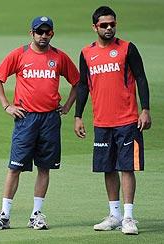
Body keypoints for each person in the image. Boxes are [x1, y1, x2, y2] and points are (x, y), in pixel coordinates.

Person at [0, 16, 79, 230]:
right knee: (15, 167)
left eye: (47, 32)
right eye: (39, 32)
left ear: (52, 34)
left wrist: (67, 106)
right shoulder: (20, 54)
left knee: (44, 168)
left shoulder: (59, 57)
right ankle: (5, 215)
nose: (43, 36)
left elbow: (78, 82)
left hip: (50, 119)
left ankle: (36, 214)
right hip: (26, 119)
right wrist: (6, 105)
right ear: (32, 33)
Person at [74, 6, 151, 235]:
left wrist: (145, 109)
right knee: (108, 168)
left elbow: (141, 78)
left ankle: (128, 217)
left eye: (112, 24)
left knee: (127, 167)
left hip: (127, 120)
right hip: (101, 121)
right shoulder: (86, 53)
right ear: (94, 27)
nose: (109, 28)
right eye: (104, 25)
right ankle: (114, 215)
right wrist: (78, 116)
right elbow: (83, 86)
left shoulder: (127, 48)